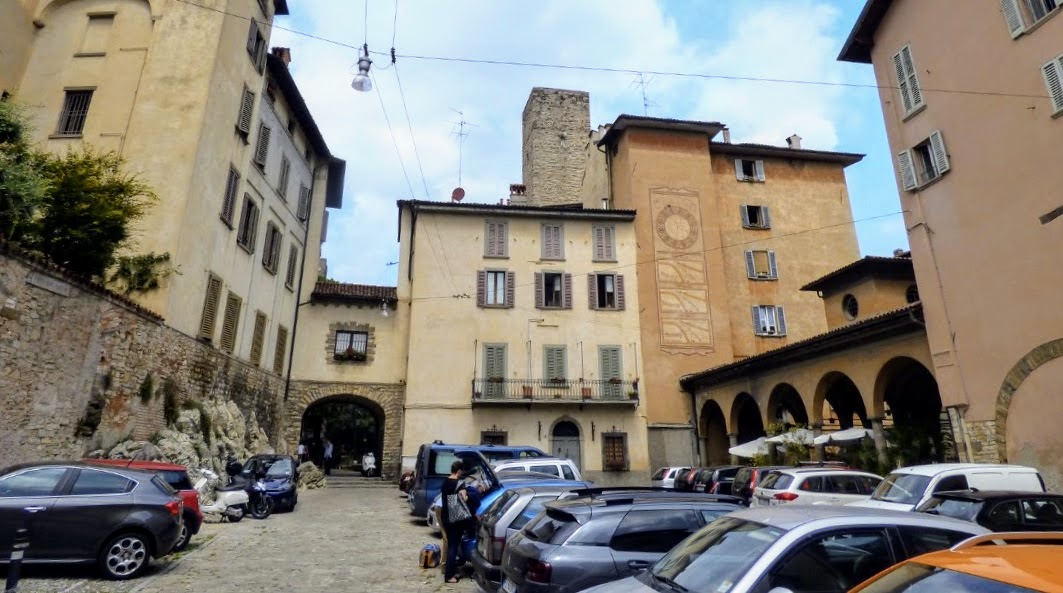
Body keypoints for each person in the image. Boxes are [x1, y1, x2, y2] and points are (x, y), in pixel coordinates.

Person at [441, 461, 473, 584]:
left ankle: (451, 571)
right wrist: (468, 496)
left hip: (446, 517)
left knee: (451, 545)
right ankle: (449, 576)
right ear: (459, 471)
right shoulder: (460, 484)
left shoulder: (445, 482)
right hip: (457, 518)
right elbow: (463, 499)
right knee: (453, 547)